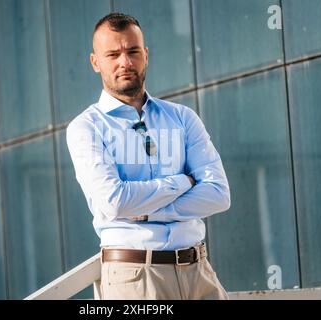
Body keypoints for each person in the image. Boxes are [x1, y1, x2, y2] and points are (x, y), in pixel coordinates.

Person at [66, 12, 230, 300]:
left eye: (132, 51)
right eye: (113, 54)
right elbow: (114, 201)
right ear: (95, 62)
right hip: (134, 277)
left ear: (146, 54)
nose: (125, 62)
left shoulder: (182, 117)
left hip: (199, 271)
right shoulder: (86, 127)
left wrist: (145, 211)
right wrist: (182, 182)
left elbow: (218, 194)